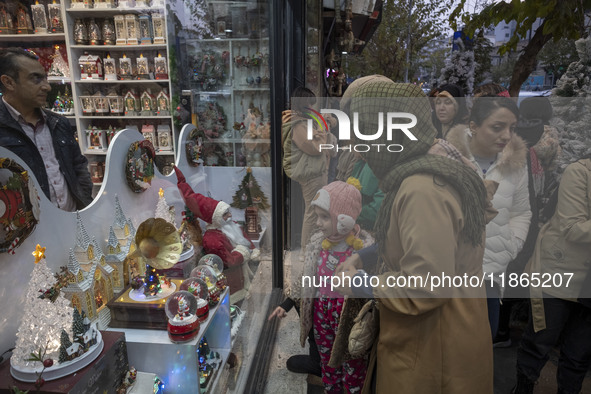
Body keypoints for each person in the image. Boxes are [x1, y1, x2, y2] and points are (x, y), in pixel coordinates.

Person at [335, 81, 494, 393]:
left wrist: (358, 283)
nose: (356, 144)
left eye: (362, 132)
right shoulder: (432, 162)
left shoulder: (422, 189)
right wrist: (366, 256)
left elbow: (427, 287)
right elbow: (423, 242)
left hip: (434, 349)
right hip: (442, 335)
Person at [269, 179, 374, 393]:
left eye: (325, 217)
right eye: (317, 216)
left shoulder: (364, 252)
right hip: (322, 316)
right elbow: (307, 279)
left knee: (353, 362)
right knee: (327, 360)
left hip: (348, 320)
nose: (318, 223)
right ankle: (331, 388)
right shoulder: (318, 244)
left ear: (344, 219)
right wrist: (288, 303)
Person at [446, 96, 531, 338]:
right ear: (473, 126)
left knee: (485, 337)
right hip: (450, 269)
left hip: (490, 273)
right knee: (448, 342)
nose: (506, 135)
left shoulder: (516, 166)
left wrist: (511, 245)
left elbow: (522, 211)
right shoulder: (448, 160)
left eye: (512, 128)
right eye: (497, 127)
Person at [513, 158, 591, 394]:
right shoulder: (581, 172)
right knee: (539, 342)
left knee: (579, 354)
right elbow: (572, 229)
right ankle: (523, 389)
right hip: (560, 270)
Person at [494, 95, 562, 347]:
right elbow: (554, 168)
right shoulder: (549, 137)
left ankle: (497, 328)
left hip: (507, 207)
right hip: (535, 210)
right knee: (520, 267)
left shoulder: (512, 132)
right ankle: (512, 326)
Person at [0, 48, 92, 210]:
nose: (47, 87)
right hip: (28, 231)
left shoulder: (58, 123)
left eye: (45, 79)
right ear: (8, 82)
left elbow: (78, 166)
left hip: (72, 221)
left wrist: (82, 204)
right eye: (36, 79)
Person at [174, 166, 260, 298]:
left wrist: (253, 250)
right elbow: (228, 261)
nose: (230, 216)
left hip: (244, 275)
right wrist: (242, 253)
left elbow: (243, 237)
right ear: (216, 218)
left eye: (229, 212)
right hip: (232, 283)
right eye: (225, 214)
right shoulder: (212, 239)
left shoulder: (230, 225)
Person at [282, 87, 336, 252]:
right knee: (313, 212)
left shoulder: (303, 122)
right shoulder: (298, 124)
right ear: (303, 104)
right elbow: (313, 147)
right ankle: (307, 251)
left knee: (315, 211)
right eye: (310, 103)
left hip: (314, 171)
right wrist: (324, 133)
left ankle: (311, 248)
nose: (313, 107)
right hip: (311, 173)